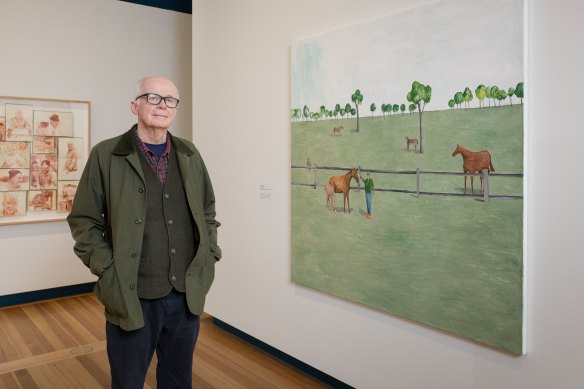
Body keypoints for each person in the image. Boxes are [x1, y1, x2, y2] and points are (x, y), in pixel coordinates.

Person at [67, 76, 221, 389]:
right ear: (134, 105)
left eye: (170, 100)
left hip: (186, 296)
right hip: (130, 294)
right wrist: (108, 270)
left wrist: (209, 255)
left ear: (176, 109)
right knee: (127, 381)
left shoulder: (189, 155)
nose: (162, 105)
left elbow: (207, 211)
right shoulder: (106, 155)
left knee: (178, 380)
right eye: (153, 97)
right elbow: (83, 220)